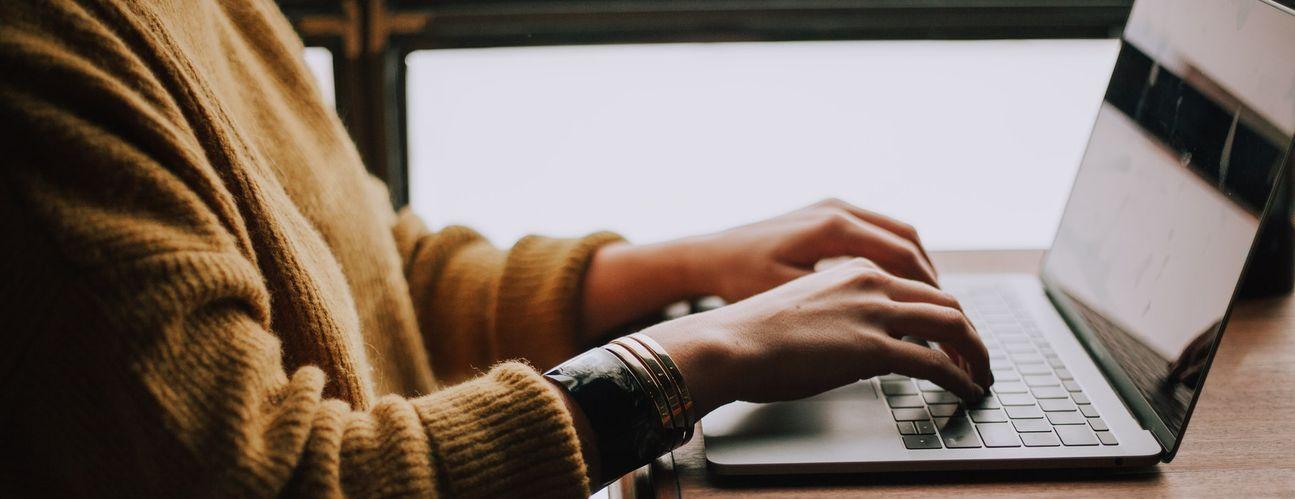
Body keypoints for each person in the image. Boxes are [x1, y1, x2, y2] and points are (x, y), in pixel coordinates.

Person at [0, 0, 991, 497]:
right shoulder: (36, 63)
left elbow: (375, 275)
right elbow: (295, 477)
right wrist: (698, 355)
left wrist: (687, 267)